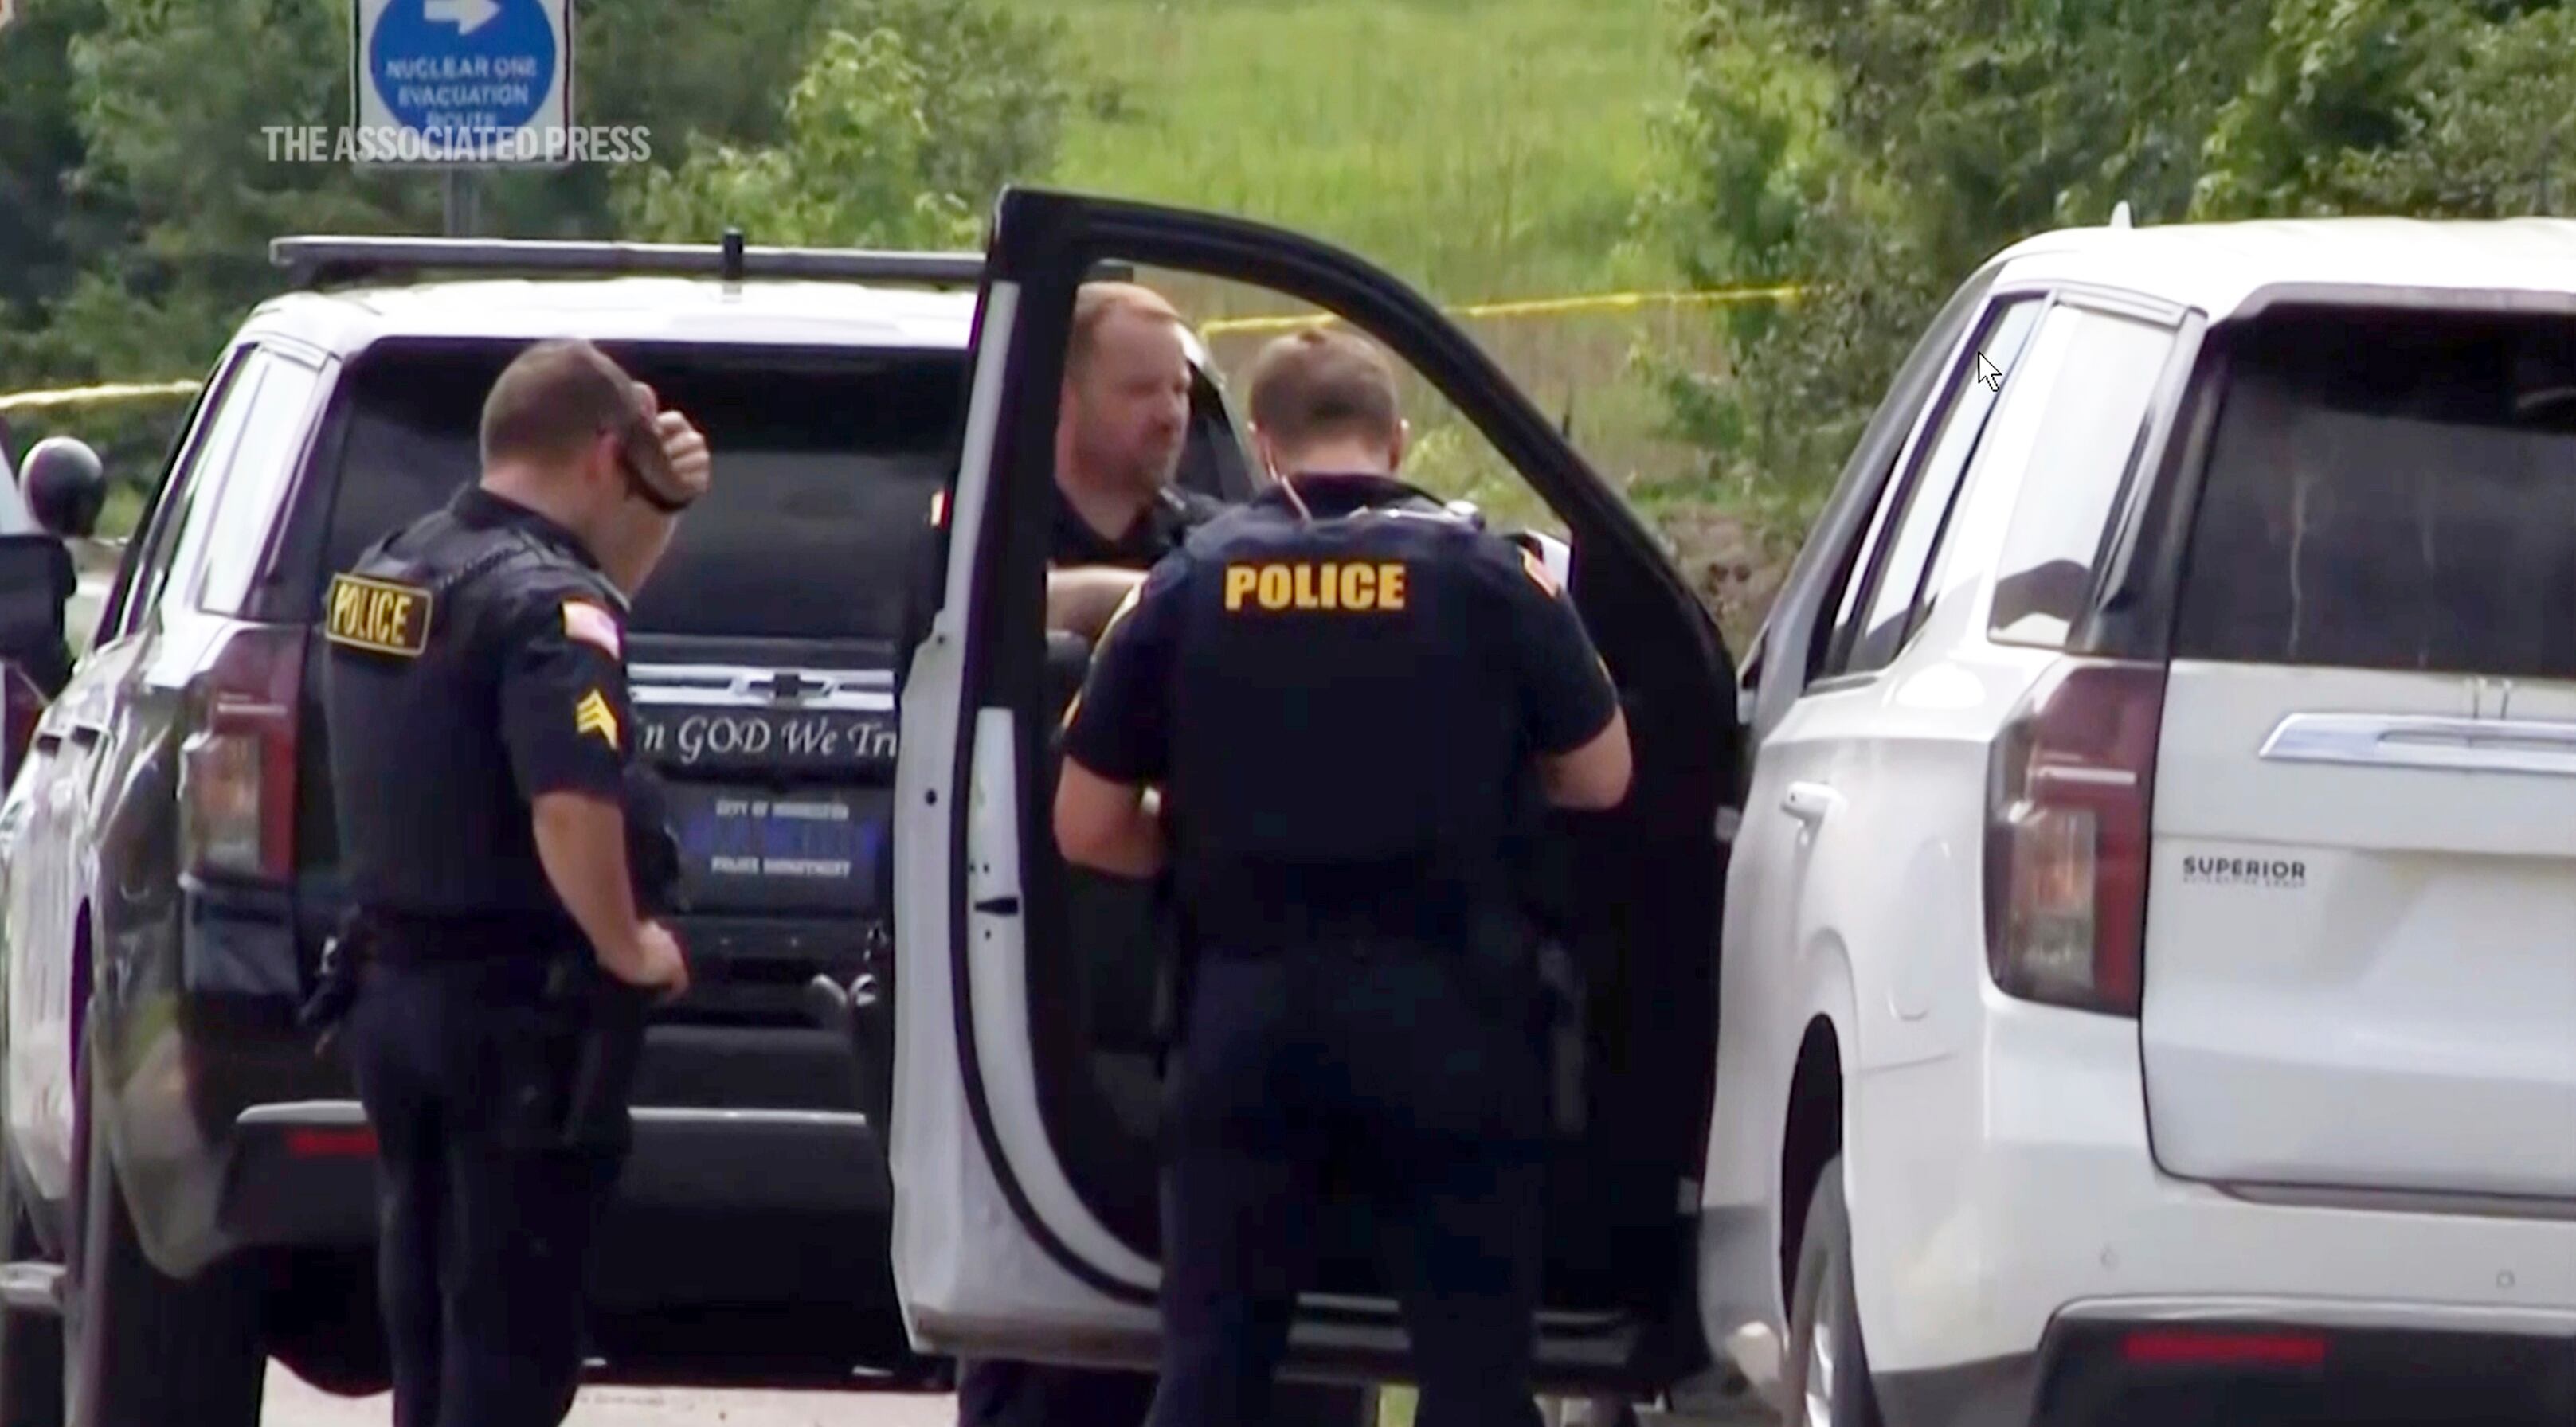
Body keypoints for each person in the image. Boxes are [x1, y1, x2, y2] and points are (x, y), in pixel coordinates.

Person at [1053, 326, 1634, 1427]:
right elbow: (1603, 776)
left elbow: (1084, 825)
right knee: (1474, 1383)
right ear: (1397, 440)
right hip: (1453, 1026)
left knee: (1212, 1376)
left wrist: (1203, 845)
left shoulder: (1184, 584)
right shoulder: (1492, 576)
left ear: (1265, 446)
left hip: (1245, 1024)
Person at [957, 286, 1378, 1427]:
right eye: (1140, 389)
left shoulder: (1214, 535)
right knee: (1045, 1359)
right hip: (1037, 991)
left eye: (1182, 390)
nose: (1170, 413)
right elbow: (972, 619)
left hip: (1198, 990)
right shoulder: (987, 531)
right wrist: (1134, 602)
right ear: (1063, 401)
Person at [314, 338, 707, 1427]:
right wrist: (628, 943)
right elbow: (571, 802)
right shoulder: (548, 606)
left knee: (426, 1312)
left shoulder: (394, 566)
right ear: (603, 454)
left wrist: (660, 507)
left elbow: (587, 598)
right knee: (511, 1337)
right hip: (516, 1018)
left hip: (395, 993)